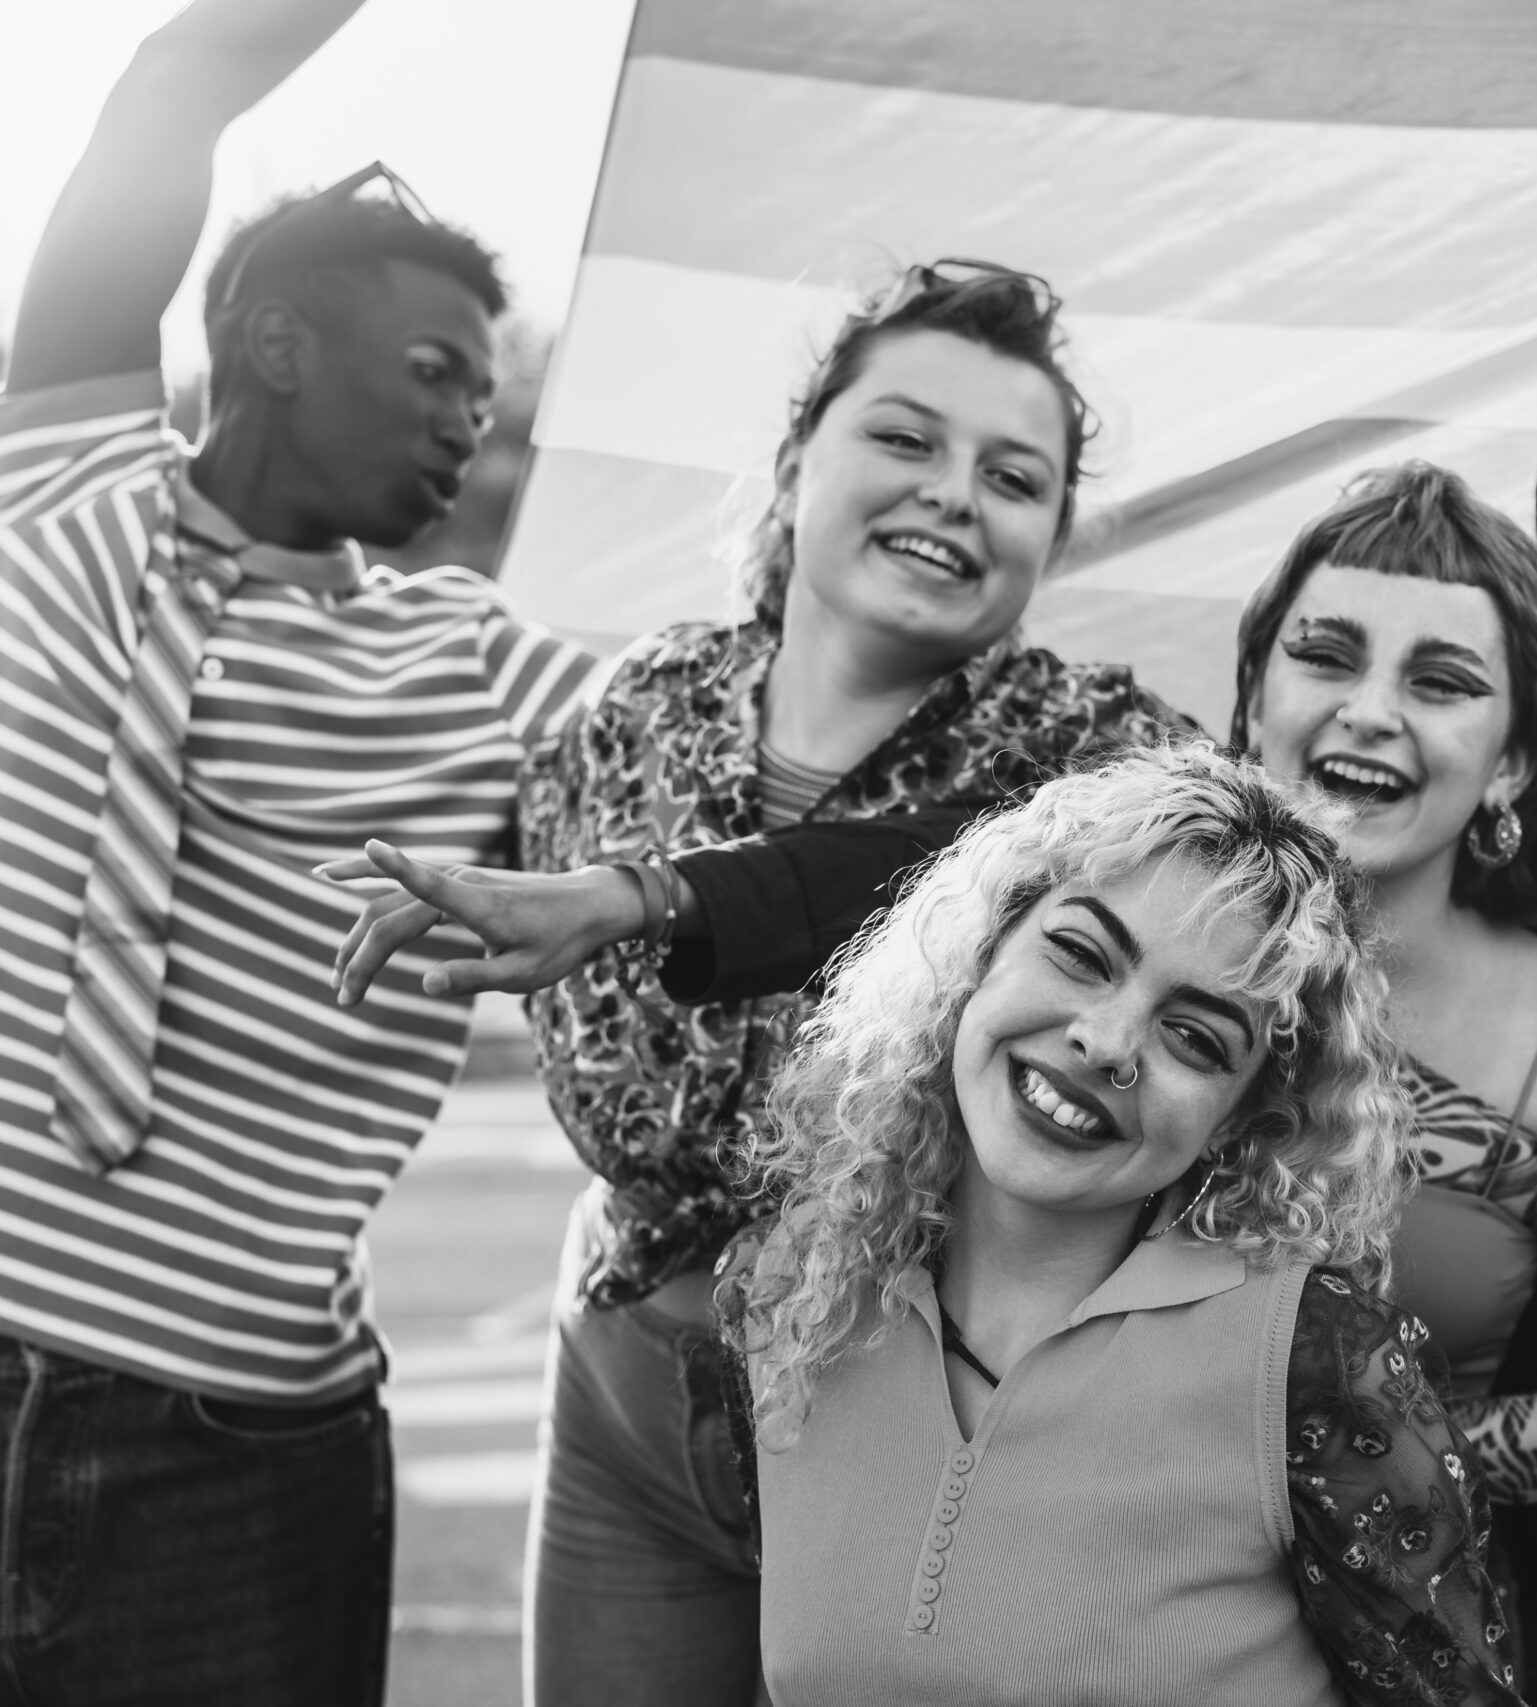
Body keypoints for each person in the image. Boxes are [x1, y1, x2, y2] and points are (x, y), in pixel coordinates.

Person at [335, 262, 1190, 1705]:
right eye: (906, 439)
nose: (951, 493)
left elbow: (947, 862)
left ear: (1051, 535)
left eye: (1012, 475)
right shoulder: (635, 703)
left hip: (919, 1421)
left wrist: (641, 897)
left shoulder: (1096, 749)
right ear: (798, 465)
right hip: (624, 1385)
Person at [0, 4, 599, 1701]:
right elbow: (166, 89)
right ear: (270, 342)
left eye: (485, 402)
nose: (467, 430)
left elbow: (738, 755)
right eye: (433, 375)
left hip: (234, 1464)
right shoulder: (57, 481)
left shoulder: (486, 660)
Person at [721, 742, 1519, 1704]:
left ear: (1240, 1117)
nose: (1106, 1040)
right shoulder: (795, 1292)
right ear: (981, 950)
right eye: (1080, 954)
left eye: (1194, 1036)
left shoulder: (1316, 1362)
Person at [1228, 464, 1537, 1520]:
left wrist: (1313, 1469)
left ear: (1514, 761)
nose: (1369, 711)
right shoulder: (1126, 951)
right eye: (1325, 657)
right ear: (1255, 698)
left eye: (1439, 683)